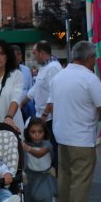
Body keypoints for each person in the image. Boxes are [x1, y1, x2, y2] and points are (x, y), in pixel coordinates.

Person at [47, 41, 101, 202]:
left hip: (61, 134)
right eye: (94, 59)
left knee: (64, 176)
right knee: (80, 180)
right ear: (90, 58)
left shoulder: (59, 77)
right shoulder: (90, 79)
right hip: (81, 137)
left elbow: (51, 105)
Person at [21, 41, 62, 170]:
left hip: (49, 118)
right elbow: (35, 89)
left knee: (51, 148)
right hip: (41, 116)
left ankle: (54, 177)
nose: (33, 56)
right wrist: (21, 104)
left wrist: (45, 115)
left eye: (34, 53)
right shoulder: (44, 68)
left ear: (41, 53)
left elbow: (53, 94)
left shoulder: (54, 67)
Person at [22, 117, 55, 202]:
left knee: (43, 197)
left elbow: (40, 153)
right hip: (31, 176)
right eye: (33, 132)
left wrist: (27, 148)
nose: (36, 135)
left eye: (39, 132)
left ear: (44, 132)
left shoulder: (47, 144)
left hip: (45, 175)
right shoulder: (26, 144)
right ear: (28, 133)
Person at [11, 45, 34, 122]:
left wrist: (24, 102)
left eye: (20, 54)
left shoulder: (26, 70)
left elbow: (31, 88)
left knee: (31, 106)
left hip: (26, 103)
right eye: (17, 55)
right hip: (13, 103)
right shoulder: (7, 71)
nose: (20, 57)